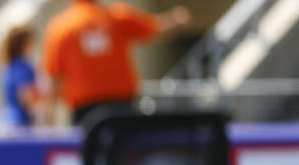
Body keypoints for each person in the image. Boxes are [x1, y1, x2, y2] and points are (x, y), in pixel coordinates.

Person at [42, 0, 191, 124]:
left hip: (86, 113)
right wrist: (177, 19)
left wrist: (48, 117)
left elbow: (54, 77)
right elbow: (156, 28)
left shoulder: (60, 27)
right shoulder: (115, 17)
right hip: (121, 109)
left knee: (88, 156)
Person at [0, 25, 45, 127]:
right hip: (19, 122)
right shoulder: (23, 67)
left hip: (4, 119)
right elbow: (26, 95)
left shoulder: (7, 65)